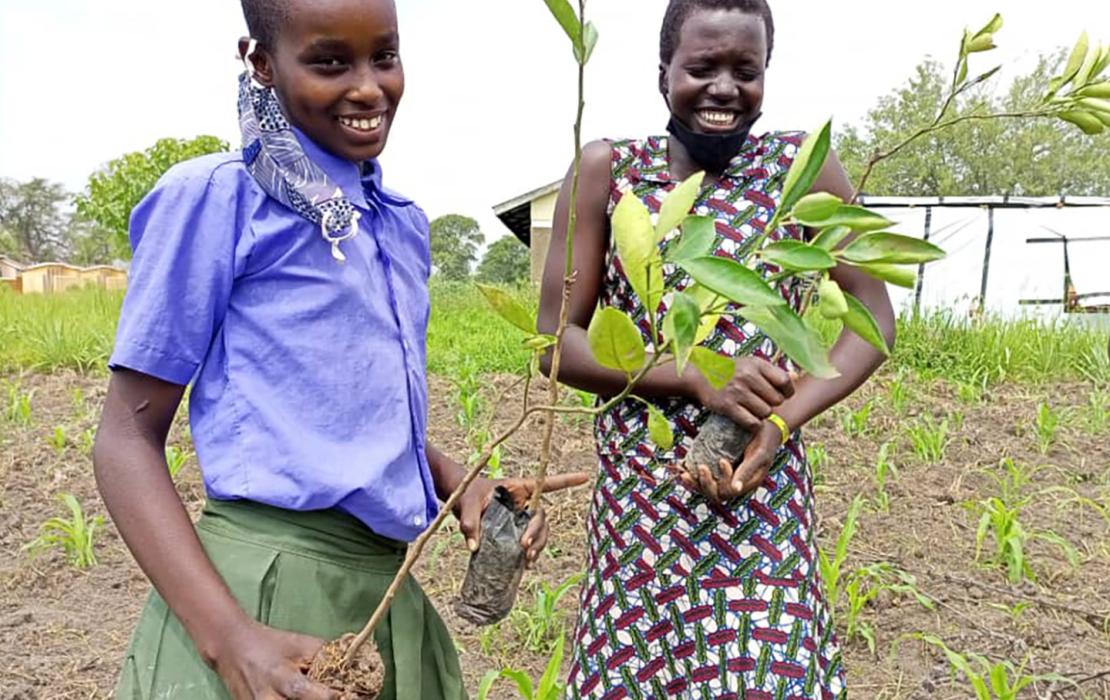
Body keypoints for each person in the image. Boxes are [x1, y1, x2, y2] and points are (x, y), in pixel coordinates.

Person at [94, 0, 586, 697]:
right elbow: (124, 438)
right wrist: (232, 641)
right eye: (330, 62)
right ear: (262, 63)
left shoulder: (401, 226)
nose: (367, 87)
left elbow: (343, 421)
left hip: (380, 595)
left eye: (384, 56)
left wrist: (460, 482)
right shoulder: (216, 199)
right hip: (262, 599)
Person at [536, 0, 895, 696]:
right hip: (642, 516)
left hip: (761, 503)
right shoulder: (609, 173)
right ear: (664, 72)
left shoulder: (801, 170)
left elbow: (872, 322)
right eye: (702, 68)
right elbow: (556, 345)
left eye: (746, 70)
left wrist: (781, 425)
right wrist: (696, 377)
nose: (725, 89)